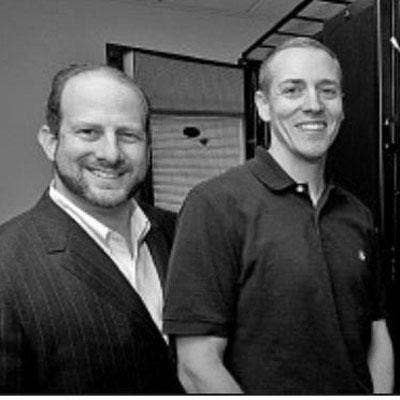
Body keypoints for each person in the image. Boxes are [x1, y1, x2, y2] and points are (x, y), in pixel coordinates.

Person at [163, 37, 394, 394]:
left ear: (342, 106)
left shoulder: (357, 214)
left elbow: (377, 336)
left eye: (327, 91)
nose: (313, 105)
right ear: (263, 105)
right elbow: (196, 366)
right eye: (292, 90)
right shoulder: (214, 205)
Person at [0, 64, 183, 394]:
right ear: (50, 141)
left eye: (128, 135)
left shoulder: (183, 232)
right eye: (88, 132)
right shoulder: (7, 263)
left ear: (148, 147)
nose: (110, 154)